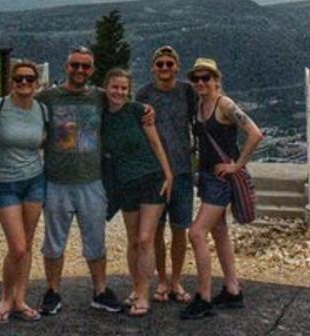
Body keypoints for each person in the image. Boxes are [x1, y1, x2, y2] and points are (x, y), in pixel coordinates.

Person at [35, 47, 131, 316]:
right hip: (56, 181)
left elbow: (124, 102)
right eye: (75, 65)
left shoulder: (99, 97)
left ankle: (100, 291)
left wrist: (146, 110)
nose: (80, 71)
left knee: (95, 239)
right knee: (54, 242)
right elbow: (22, 105)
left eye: (85, 66)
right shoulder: (49, 97)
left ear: (92, 70)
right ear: (66, 66)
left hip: (91, 181)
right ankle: (52, 291)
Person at [181, 58, 263, 320]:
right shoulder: (200, 105)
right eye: (197, 79)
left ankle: (203, 298)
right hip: (207, 176)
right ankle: (232, 288)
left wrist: (237, 165)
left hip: (220, 179)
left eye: (207, 78)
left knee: (195, 233)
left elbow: (255, 133)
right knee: (219, 232)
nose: (201, 83)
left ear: (216, 79)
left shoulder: (223, 104)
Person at [102, 68, 174, 318]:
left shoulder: (138, 111)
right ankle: (136, 287)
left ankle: (144, 294)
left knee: (145, 238)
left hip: (151, 178)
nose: (119, 92)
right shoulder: (101, 114)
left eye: (123, 88)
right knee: (133, 239)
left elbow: (155, 142)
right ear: (106, 88)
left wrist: (168, 174)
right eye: (115, 87)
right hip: (125, 183)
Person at [0, 61, 48, 323]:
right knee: (18, 246)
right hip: (4, 182)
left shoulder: (42, 110)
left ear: (37, 83)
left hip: (34, 180)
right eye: (19, 79)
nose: (24, 83)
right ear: (12, 81)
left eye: (29, 79)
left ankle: (20, 298)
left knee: (28, 243)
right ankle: (5, 297)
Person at [135, 45, 197, 304]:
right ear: (153, 67)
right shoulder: (144, 94)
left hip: (182, 170)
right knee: (157, 231)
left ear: (176, 67)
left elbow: (200, 119)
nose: (164, 68)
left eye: (168, 64)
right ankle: (161, 279)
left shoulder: (187, 92)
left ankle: (176, 280)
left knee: (180, 229)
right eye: (160, 64)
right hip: (154, 172)